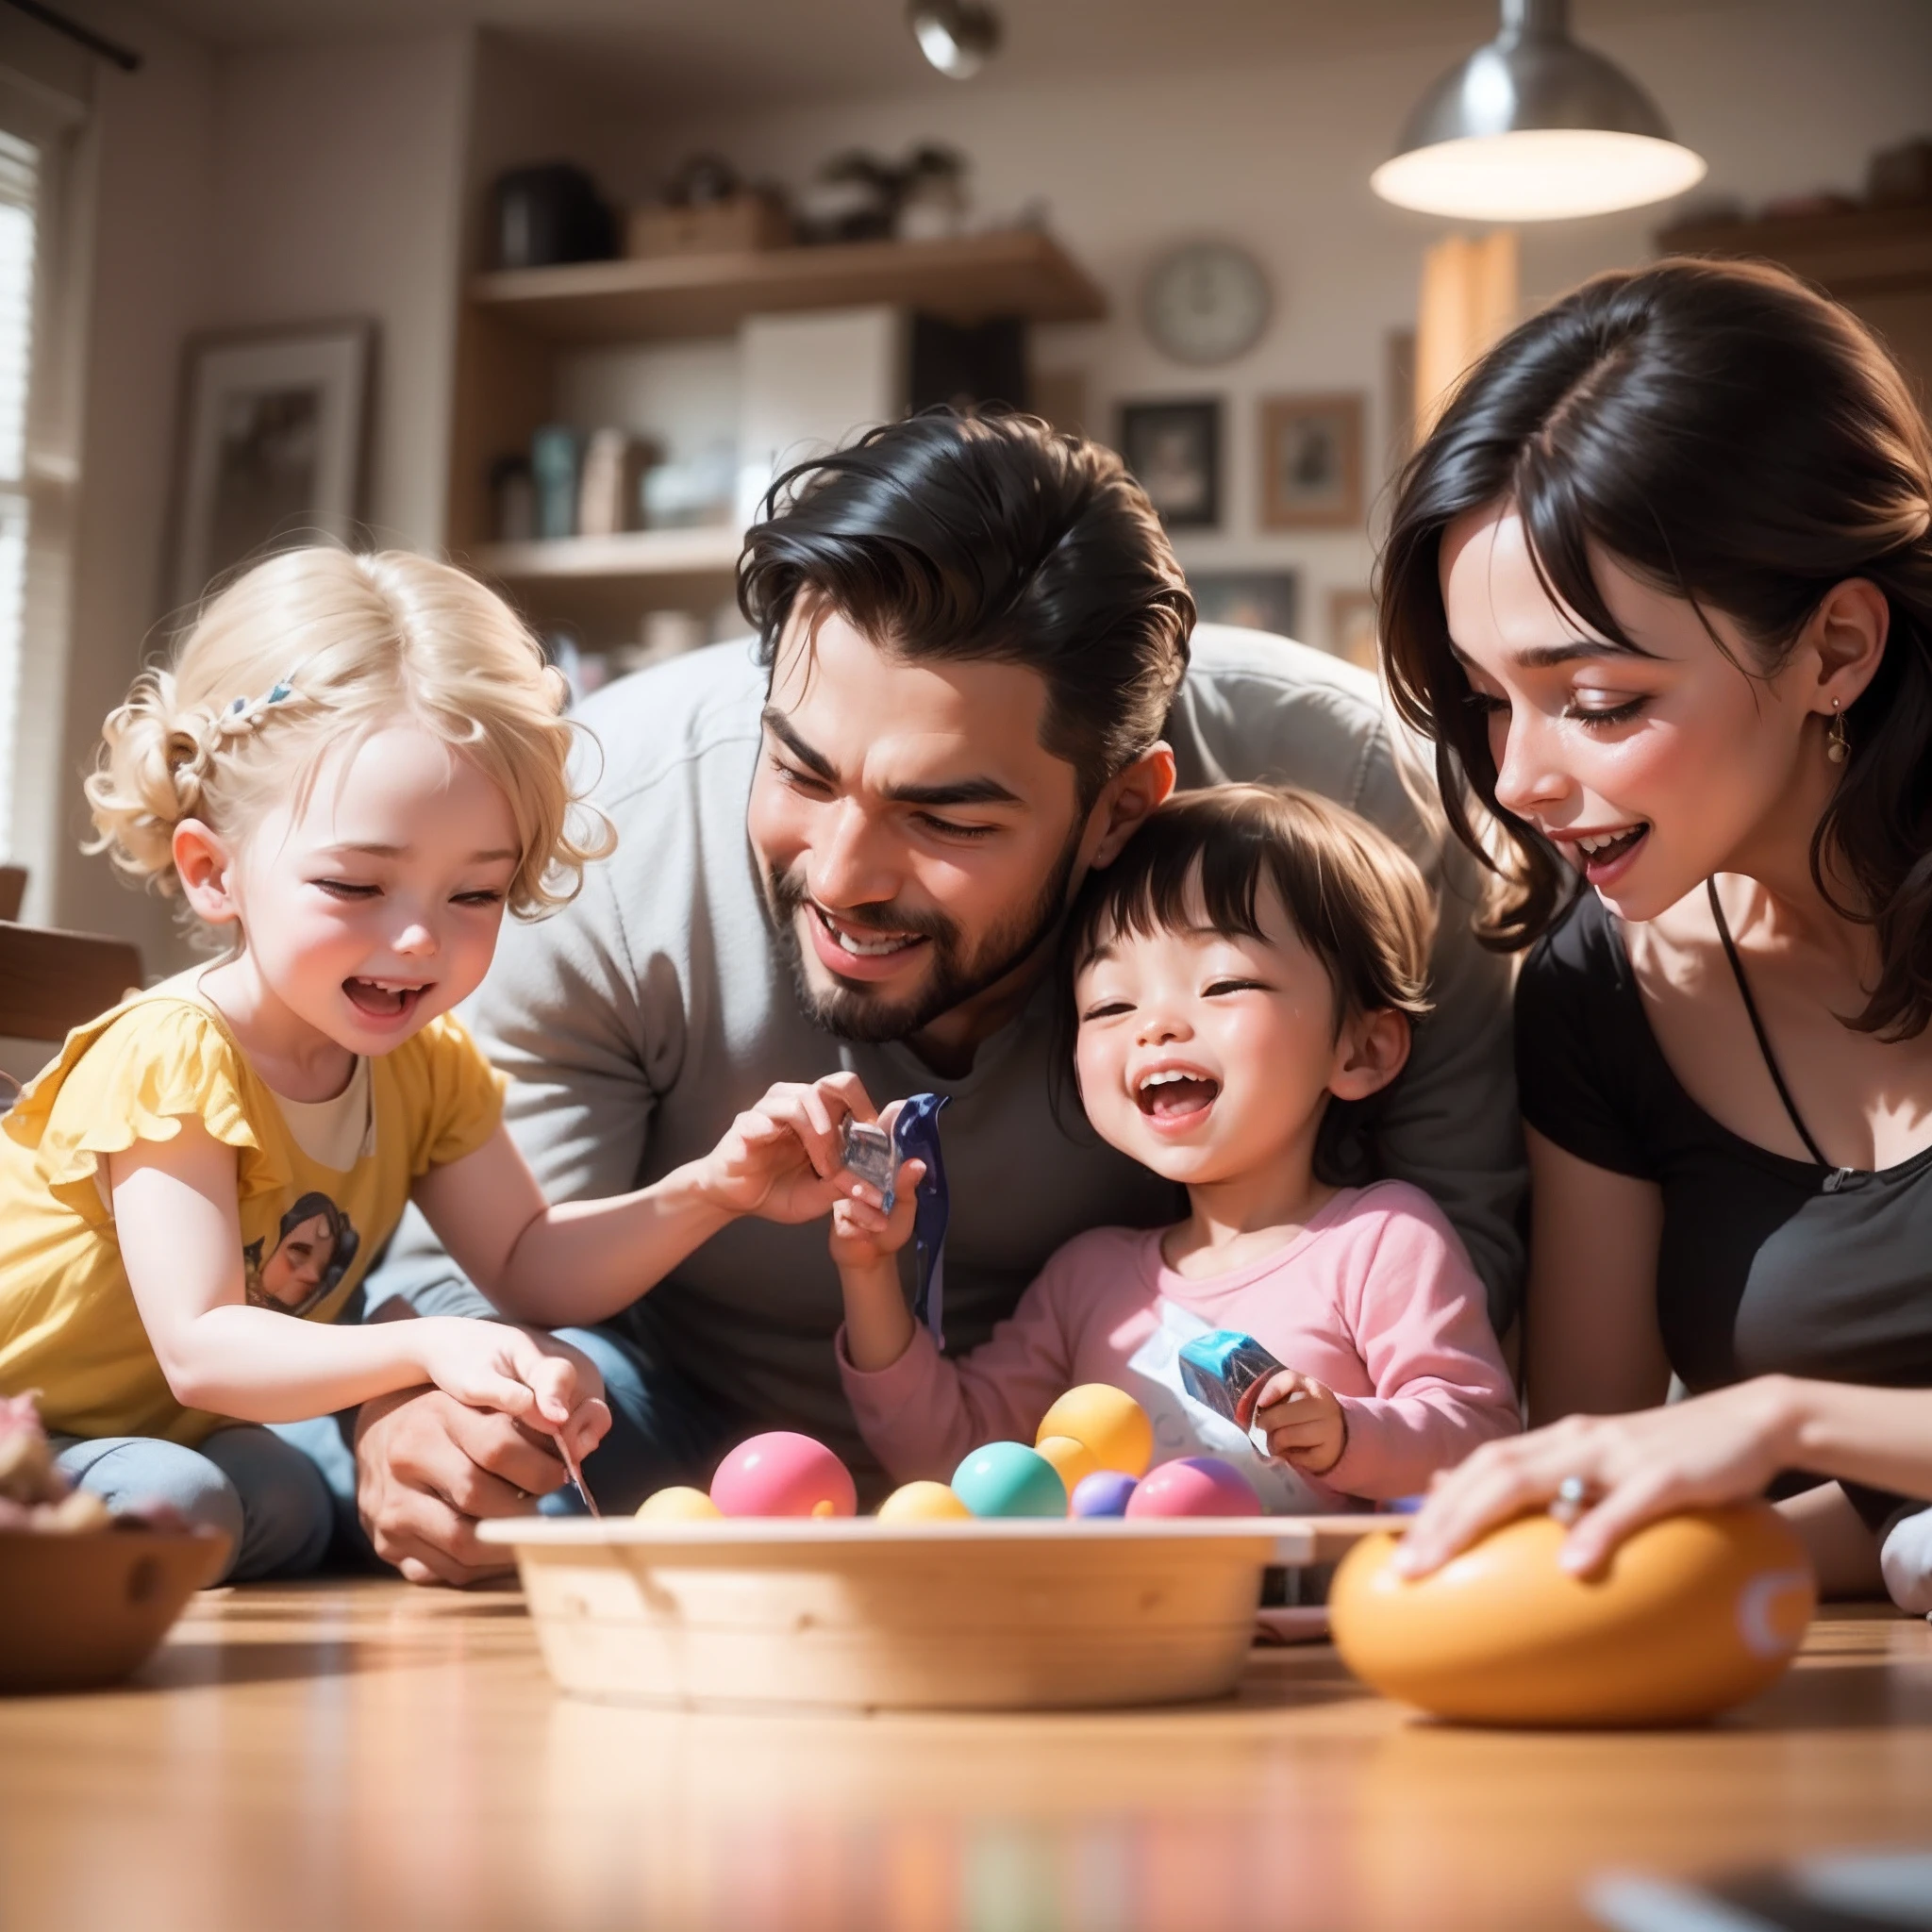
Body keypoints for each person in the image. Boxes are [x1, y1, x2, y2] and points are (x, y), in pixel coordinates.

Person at [350, 411, 1525, 1585]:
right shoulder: (592, 849)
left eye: (947, 818)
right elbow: (487, 1264)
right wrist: (421, 1416)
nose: (842, 875)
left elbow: (1461, 1243)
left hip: (1148, 1529)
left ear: (1121, 809)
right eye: (800, 771)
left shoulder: (1358, 800)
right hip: (675, 1446)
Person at [0, 548, 907, 1581]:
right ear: (214, 872)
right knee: (201, 1497)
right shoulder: (173, 1053)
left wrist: (712, 1189)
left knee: (292, 1495)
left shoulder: (423, 1066)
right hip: (35, 1417)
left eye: (474, 895)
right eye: (355, 884)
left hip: (147, 1432)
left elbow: (529, 1259)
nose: (421, 941)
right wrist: (428, 1346)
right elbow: (203, 1343)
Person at [1375, 257, 1932, 1604]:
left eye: (1602, 702)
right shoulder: (1599, 993)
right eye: (1490, 700)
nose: (1516, 779)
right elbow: (1604, 1478)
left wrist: (1785, 1420)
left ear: (1837, 651)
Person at [827, 785, 1520, 1507]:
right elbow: (953, 1458)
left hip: (1315, 1620)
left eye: (1223, 983)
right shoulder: (1085, 1283)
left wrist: (1346, 1431)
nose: (1154, 1026)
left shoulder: (1379, 1241)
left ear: (1362, 1048)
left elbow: (1479, 1436)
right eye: (1111, 1005)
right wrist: (871, 1273)